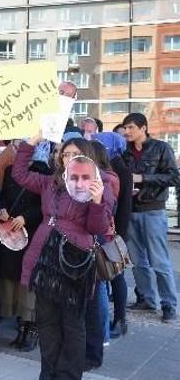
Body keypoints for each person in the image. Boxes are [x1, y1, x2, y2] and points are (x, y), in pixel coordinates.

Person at [13, 134, 115, 379]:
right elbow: (20, 174)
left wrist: (98, 201)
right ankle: (48, 373)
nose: (67, 158)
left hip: (74, 259)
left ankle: (68, 375)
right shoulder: (52, 182)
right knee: (46, 321)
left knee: (72, 323)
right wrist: (30, 143)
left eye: (73, 154)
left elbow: (97, 228)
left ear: (87, 157)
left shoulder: (99, 184)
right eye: (64, 154)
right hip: (45, 256)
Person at [122, 112, 179, 322]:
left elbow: (174, 176)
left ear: (143, 128)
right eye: (125, 128)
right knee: (137, 261)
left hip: (153, 210)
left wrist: (143, 178)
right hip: (131, 210)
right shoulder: (124, 153)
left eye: (130, 128)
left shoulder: (161, 148)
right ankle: (147, 299)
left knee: (159, 261)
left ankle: (169, 305)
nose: (126, 132)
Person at [0, 142, 47, 352]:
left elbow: (45, 204)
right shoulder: (10, 170)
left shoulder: (43, 171)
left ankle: (30, 326)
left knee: (28, 281)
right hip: (11, 234)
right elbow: (4, 196)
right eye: (16, 147)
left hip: (32, 232)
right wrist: (3, 211)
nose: (17, 151)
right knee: (12, 279)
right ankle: (20, 322)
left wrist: (26, 217)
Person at [93, 132, 131, 339]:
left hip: (112, 232)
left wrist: (120, 235)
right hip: (108, 230)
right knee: (109, 275)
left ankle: (120, 319)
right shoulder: (109, 169)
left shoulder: (118, 171)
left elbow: (124, 206)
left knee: (115, 275)